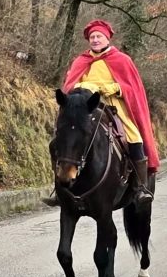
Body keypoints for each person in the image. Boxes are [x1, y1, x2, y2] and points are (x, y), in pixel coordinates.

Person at [45, 19, 159, 207]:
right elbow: (70, 85)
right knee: (59, 141)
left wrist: (113, 87)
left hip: (114, 105)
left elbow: (132, 88)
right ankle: (59, 188)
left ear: (107, 38)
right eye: (92, 37)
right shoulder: (81, 61)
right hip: (87, 107)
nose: (95, 40)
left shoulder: (122, 60)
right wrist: (84, 87)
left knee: (135, 138)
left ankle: (140, 188)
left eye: (99, 36)